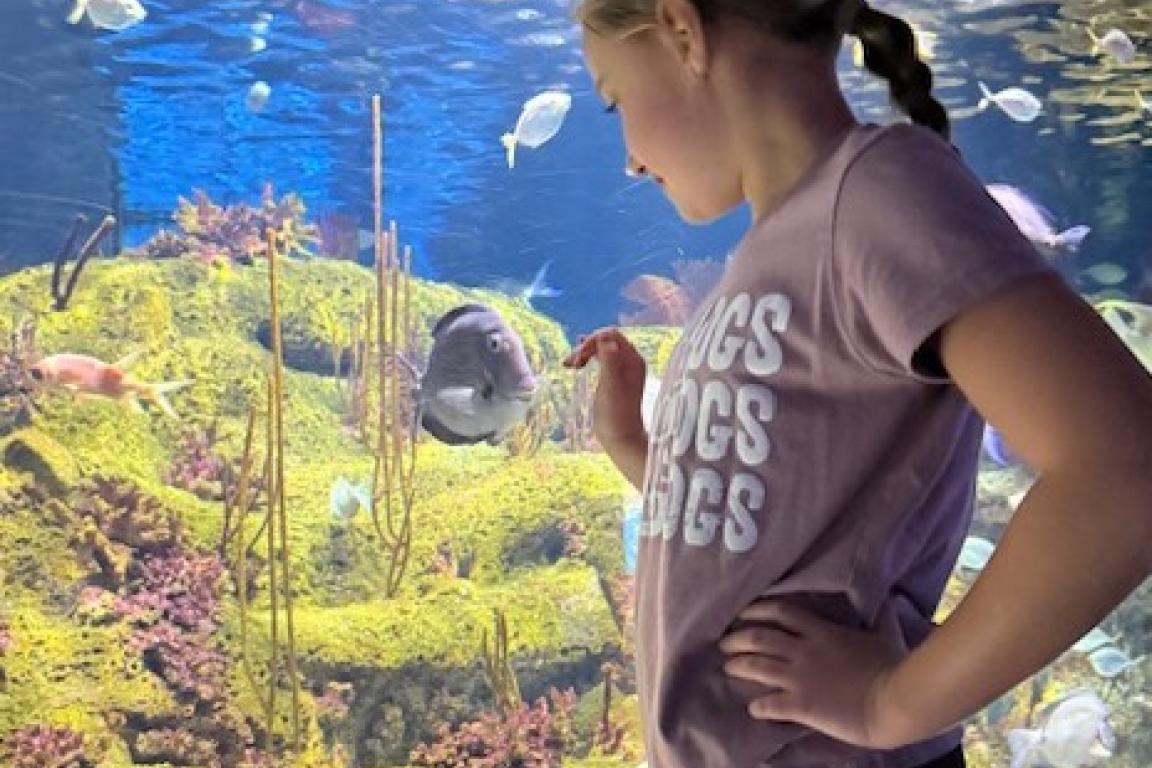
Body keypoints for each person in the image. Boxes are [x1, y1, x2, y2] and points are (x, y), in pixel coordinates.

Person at [560, 0, 1152, 766]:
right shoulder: (784, 244)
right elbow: (768, 523)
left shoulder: (877, 196)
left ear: (681, 29)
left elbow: (1125, 467)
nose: (630, 158)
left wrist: (890, 703)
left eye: (614, 100)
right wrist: (636, 447)